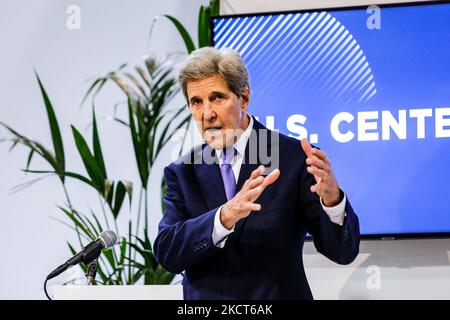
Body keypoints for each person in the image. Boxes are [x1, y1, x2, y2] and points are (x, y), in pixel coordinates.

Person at [154, 47, 360, 300]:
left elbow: (342, 252)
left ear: (243, 98)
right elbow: (168, 253)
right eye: (196, 102)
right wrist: (224, 217)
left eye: (217, 97)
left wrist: (332, 201)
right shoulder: (183, 172)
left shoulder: (294, 158)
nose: (207, 114)